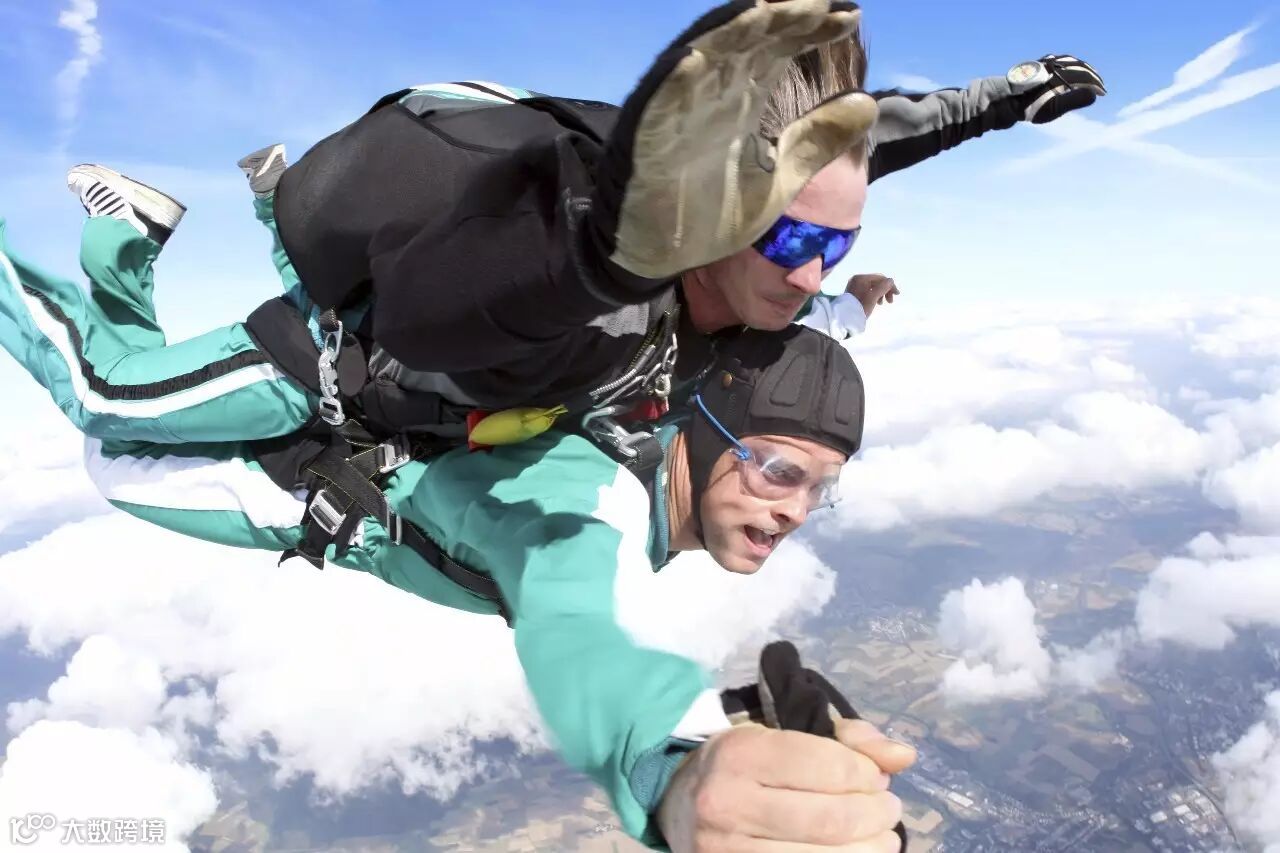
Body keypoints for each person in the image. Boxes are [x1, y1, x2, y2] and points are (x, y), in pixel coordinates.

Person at [0, 0, 1105, 454]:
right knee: (106, 403)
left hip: (424, 231)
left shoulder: (757, 247)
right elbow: (434, 321)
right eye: (790, 246)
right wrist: (591, 266)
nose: (809, 273)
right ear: (703, 217)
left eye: (837, 246)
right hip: (331, 351)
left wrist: (998, 99)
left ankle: (153, 231)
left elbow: (856, 149)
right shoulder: (601, 284)